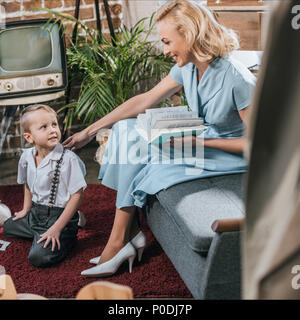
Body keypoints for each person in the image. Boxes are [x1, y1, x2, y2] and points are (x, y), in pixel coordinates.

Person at [63, 0, 256, 277]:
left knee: (142, 153)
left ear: (189, 35)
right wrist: (89, 130)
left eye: (167, 42)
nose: (165, 50)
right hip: (203, 141)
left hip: (230, 155)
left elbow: (259, 145)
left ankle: (120, 241)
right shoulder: (189, 66)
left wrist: (195, 143)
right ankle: (126, 235)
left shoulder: (237, 79)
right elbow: (145, 100)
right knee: (126, 130)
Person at [3, 104, 87, 268]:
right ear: (29, 137)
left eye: (54, 124)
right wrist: (26, 210)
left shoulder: (68, 159)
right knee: (8, 226)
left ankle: (66, 236)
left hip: (58, 217)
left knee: (38, 257)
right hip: (35, 214)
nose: (52, 130)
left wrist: (56, 229)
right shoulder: (26, 157)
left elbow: (77, 195)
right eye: (44, 127)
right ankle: (38, 234)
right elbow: (27, 184)